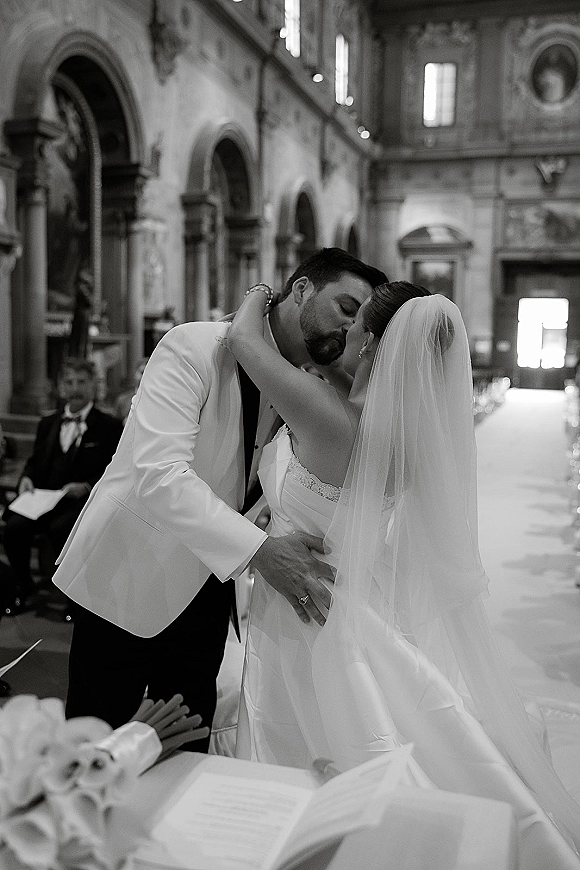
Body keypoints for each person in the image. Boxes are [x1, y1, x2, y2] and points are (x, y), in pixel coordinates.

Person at [226, 284, 580, 868]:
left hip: (308, 609)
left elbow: (243, 338)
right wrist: (276, 509)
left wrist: (266, 292)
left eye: (358, 322)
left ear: (374, 341)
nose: (348, 333)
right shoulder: (397, 432)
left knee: (305, 741)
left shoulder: (324, 412)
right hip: (355, 597)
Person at [52, 248, 388, 752]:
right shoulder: (193, 346)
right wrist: (261, 550)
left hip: (210, 588)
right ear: (301, 290)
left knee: (187, 745)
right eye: (344, 307)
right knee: (98, 746)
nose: (347, 328)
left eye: (357, 321)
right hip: (129, 575)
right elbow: (159, 474)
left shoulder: (310, 386)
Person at [2, 358, 122, 615]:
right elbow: (34, 461)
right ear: (60, 386)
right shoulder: (48, 423)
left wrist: (87, 486)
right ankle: (24, 586)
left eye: (81, 382)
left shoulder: (109, 426)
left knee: (62, 530)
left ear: (93, 385)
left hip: (82, 502)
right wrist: (26, 477)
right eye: (69, 382)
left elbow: (116, 469)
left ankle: (74, 598)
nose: (75, 388)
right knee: (13, 529)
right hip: (44, 500)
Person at [113, 357, 149, 424]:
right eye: (142, 372)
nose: (144, 376)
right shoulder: (122, 400)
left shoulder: (156, 400)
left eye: (147, 374)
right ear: (135, 373)